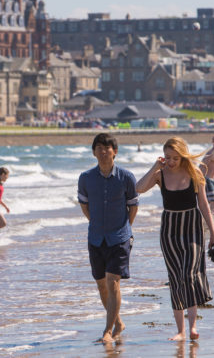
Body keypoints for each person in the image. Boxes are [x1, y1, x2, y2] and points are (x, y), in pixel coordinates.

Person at [136, 137, 214, 341]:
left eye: (175, 157)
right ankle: (181, 331)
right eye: (167, 157)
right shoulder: (160, 175)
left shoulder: (195, 172)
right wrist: (155, 165)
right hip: (169, 231)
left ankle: (193, 327)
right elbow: (139, 188)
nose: (171, 161)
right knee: (175, 278)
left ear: (183, 156)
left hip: (192, 228)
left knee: (188, 274)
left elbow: (204, 205)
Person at [78, 133, 138, 343]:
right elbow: (84, 206)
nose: (103, 151)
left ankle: (107, 331)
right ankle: (118, 322)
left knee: (113, 282)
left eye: (107, 147)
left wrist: (124, 229)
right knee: (102, 284)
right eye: (99, 148)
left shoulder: (127, 177)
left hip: (119, 238)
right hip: (95, 238)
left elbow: (133, 206)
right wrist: (96, 224)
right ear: (94, 152)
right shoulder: (86, 178)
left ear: (115, 151)